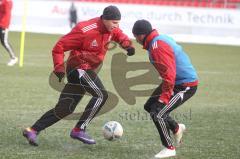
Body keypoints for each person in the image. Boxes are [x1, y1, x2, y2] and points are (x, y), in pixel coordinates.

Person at [23, 5, 135, 146]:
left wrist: (127, 45)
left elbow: (119, 34)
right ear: (105, 19)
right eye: (114, 22)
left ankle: (32, 130)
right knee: (101, 95)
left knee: (64, 109)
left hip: (86, 69)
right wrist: (58, 68)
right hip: (78, 67)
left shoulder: (111, 29)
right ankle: (79, 129)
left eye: (118, 22)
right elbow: (59, 46)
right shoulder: (84, 30)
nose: (117, 26)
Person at [132, 19, 198, 158]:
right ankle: (176, 127)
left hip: (185, 85)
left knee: (158, 112)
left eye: (136, 35)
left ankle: (169, 148)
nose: (136, 39)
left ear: (142, 35)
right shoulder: (159, 39)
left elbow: (170, 74)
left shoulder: (157, 45)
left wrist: (164, 97)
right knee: (150, 106)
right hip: (175, 82)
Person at [0, 0, 18, 66]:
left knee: (4, 42)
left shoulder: (7, 2)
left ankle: (13, 58)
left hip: (3, 24)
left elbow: (7, 13)